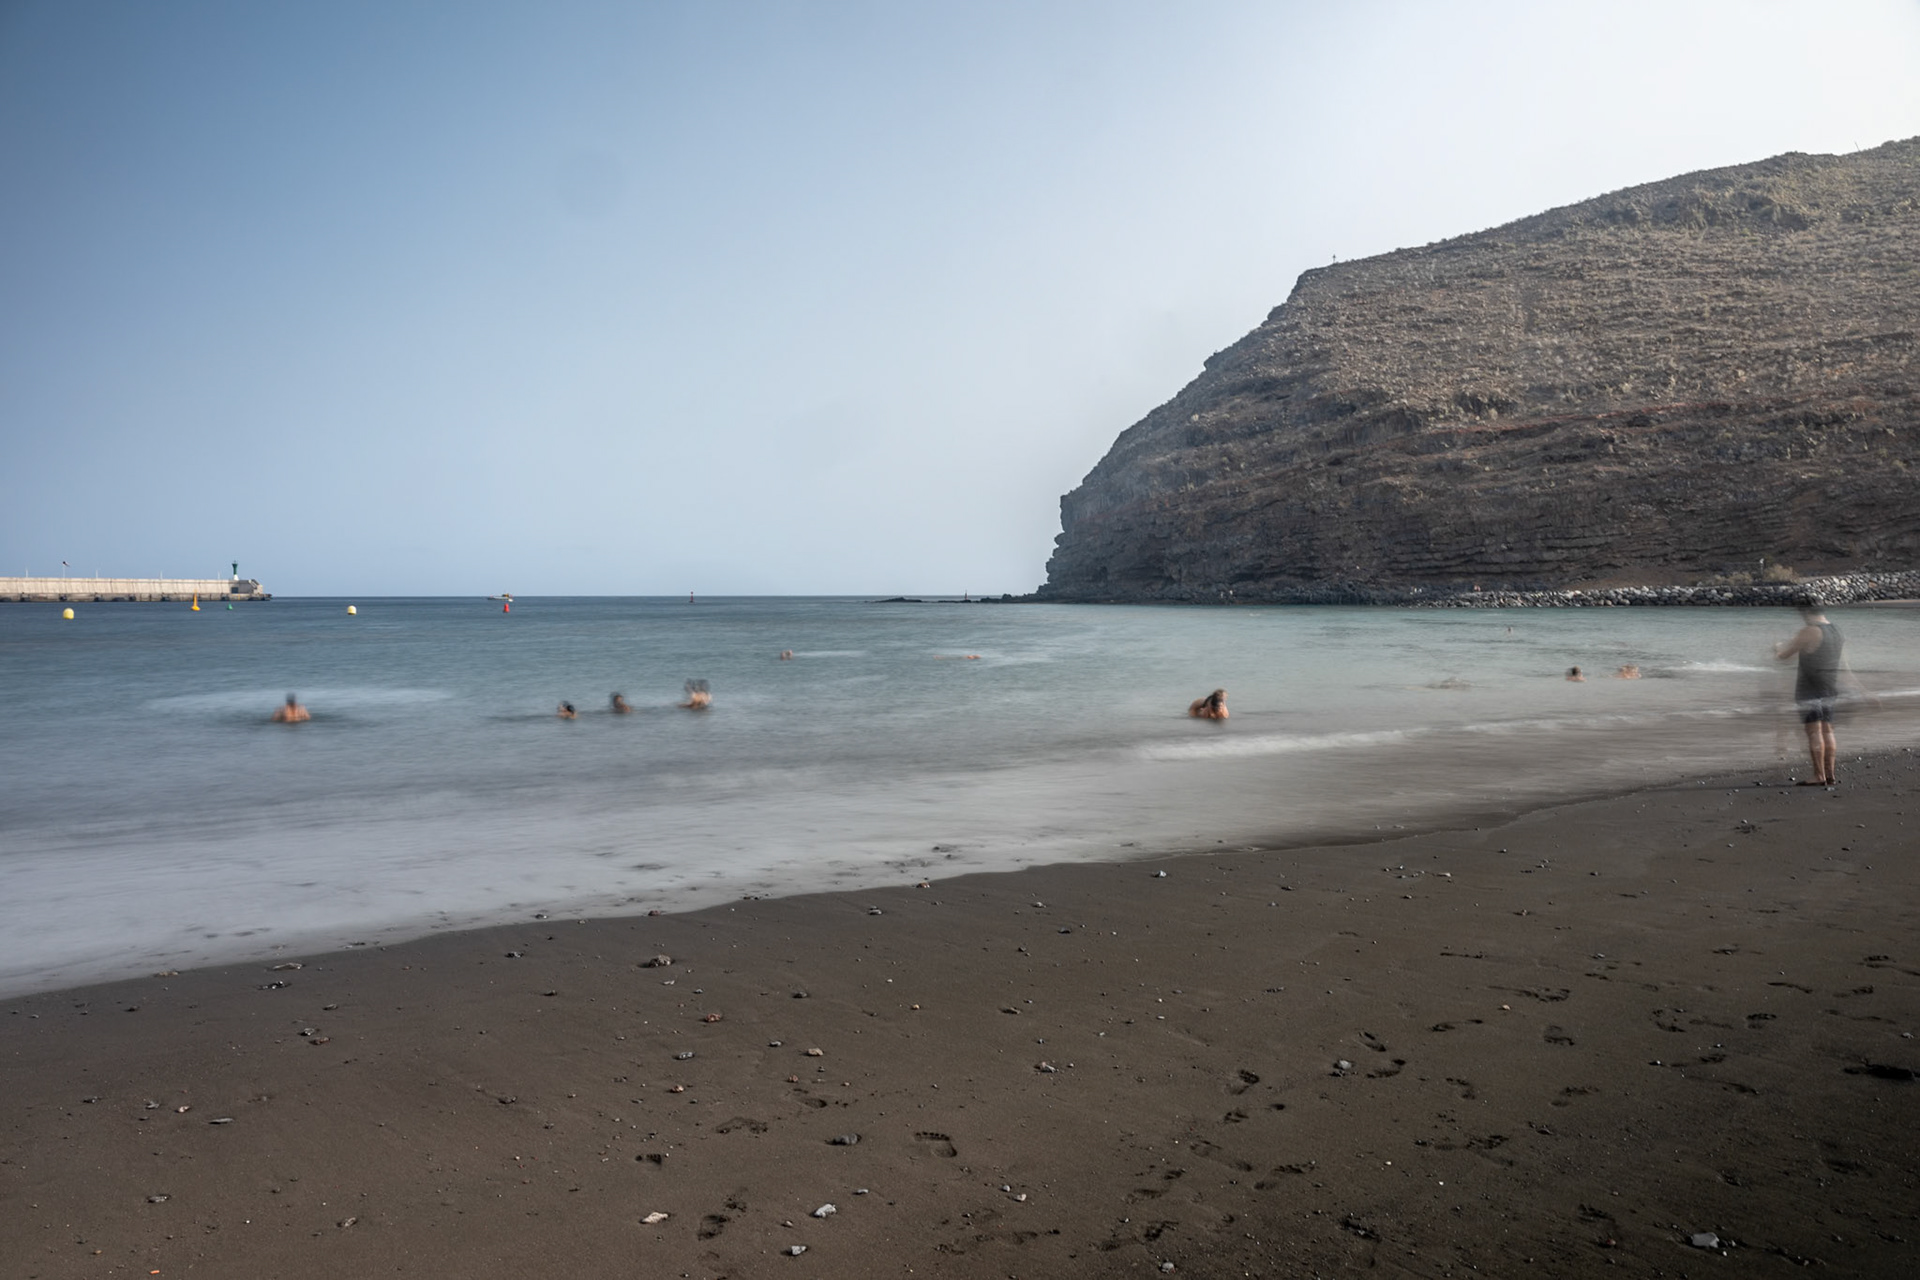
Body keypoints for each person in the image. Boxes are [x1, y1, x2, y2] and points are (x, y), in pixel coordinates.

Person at [1774, 598, 1853, 785]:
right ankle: (1830, 773)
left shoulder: (1810, 630)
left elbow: (1784, 656)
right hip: (1830, 686)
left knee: (1813, 732)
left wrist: (1777, 648)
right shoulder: (1836, 631)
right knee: (1827, 730)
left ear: (1805, 612)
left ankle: (1818, 775)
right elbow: (1843, 662)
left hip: (1809, 687)